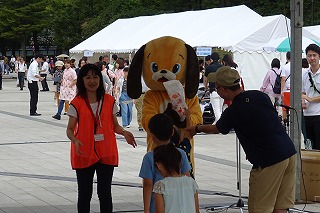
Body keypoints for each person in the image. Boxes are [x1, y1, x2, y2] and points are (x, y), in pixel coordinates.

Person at [188, 66, 297, 213]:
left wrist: (196, 128)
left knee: (260, 208)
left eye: (216, 87)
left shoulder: (235, 110)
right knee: (280, 206)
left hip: (269, 161)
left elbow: (216, 128)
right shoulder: (260, 96)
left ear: (222, 89)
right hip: (289, 154)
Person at [66, 63, 137, 213]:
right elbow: (70, 129)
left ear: (100, 79)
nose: (92, 81)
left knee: (104, 193)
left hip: (106, 152)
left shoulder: (109, 101)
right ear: (82, 80)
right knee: (85, 194)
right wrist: (74, 139)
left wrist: (124, 132)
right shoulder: (76, 103)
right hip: (84, 152)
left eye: (95, 77)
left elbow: (115, 126)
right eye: (88, 77)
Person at [139, 113, 191, 213]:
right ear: (172, 132)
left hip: (156, 207)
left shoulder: (149, 157)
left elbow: (148, 185)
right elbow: (187, 178)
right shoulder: (181, 153)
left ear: (152, 136)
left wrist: (146, 210)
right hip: (179, 206)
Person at [153, 143, 200, 213]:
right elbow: (197, 211)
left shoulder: (161, 186)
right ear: (180, 163)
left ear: (158, 165)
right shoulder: (191, 182)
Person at [302, 44, 320, 150]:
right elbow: (303, 92)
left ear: (319, 56)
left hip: (318, 114)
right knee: (309, 146)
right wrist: (303, 101)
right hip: (307, 115)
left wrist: (311, 99)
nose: (312, 58)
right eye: (309, 55)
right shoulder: (305, 74)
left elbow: (309, 97)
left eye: (314, 55)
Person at [204, 52, 223, 122]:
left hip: (213, 90)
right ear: (218, 59)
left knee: (216, 109)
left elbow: (205, 80)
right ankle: (216, 123)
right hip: (222, 90)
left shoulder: (209, 68)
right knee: (220, 109)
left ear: (211, 59)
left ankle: (221, 125)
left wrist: (206, 88)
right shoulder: (222, 67)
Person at [280, 52, 291, 121]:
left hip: (286, 90)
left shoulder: (284, 67)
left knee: (285, 108)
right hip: (295, 90)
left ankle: (285, 122)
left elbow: (283, 79)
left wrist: (281, 90)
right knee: (294, 107)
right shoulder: (297, 66)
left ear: (286, 58)